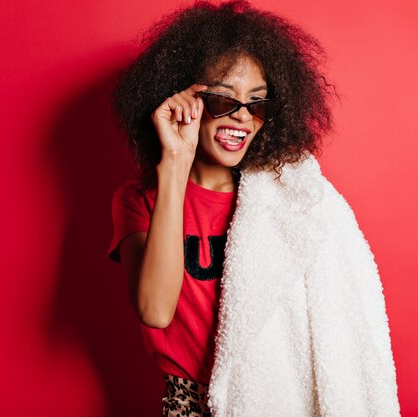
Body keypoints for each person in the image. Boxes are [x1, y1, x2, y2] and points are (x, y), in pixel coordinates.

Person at [107, 1, 400, 416]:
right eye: (223, 100)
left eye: (256, 104)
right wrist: (176, 160)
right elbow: (155, 310)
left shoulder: (287, 204)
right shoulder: (139, 201)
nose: (241, 117)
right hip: (187, 402)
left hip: (273, 399)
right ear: (184, 98)